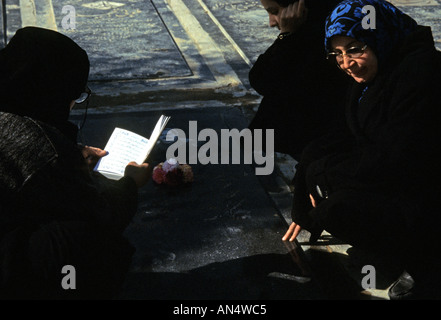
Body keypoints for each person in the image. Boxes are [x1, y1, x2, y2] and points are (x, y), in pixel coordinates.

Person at [282, 0, 441, 299]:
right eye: (338, 54)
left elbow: (396, 159)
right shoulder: (379, 68)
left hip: (428, 193)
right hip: (402, 184)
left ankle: (420, 259)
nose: (346, 63)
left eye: (355, 49)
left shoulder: (422, 72)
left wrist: (326, 178)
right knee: (326, 188)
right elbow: (342, 134)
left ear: (378, 36)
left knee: (339, 208)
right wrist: (306, 180)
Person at [0, 27, 152, 299]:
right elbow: (102, 213)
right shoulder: (41, 147)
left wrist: (69, 154)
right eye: (75, 94)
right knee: (88, 243)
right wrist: (130, 184)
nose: (73, 104)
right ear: (54, 92)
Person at [248, 0, 350, 160]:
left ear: (299, 6)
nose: (271, 22)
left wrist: (287, 36)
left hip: (330, 139)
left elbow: (262, 80)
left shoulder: (324, 34)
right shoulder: (321, 21)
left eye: (274, 11)